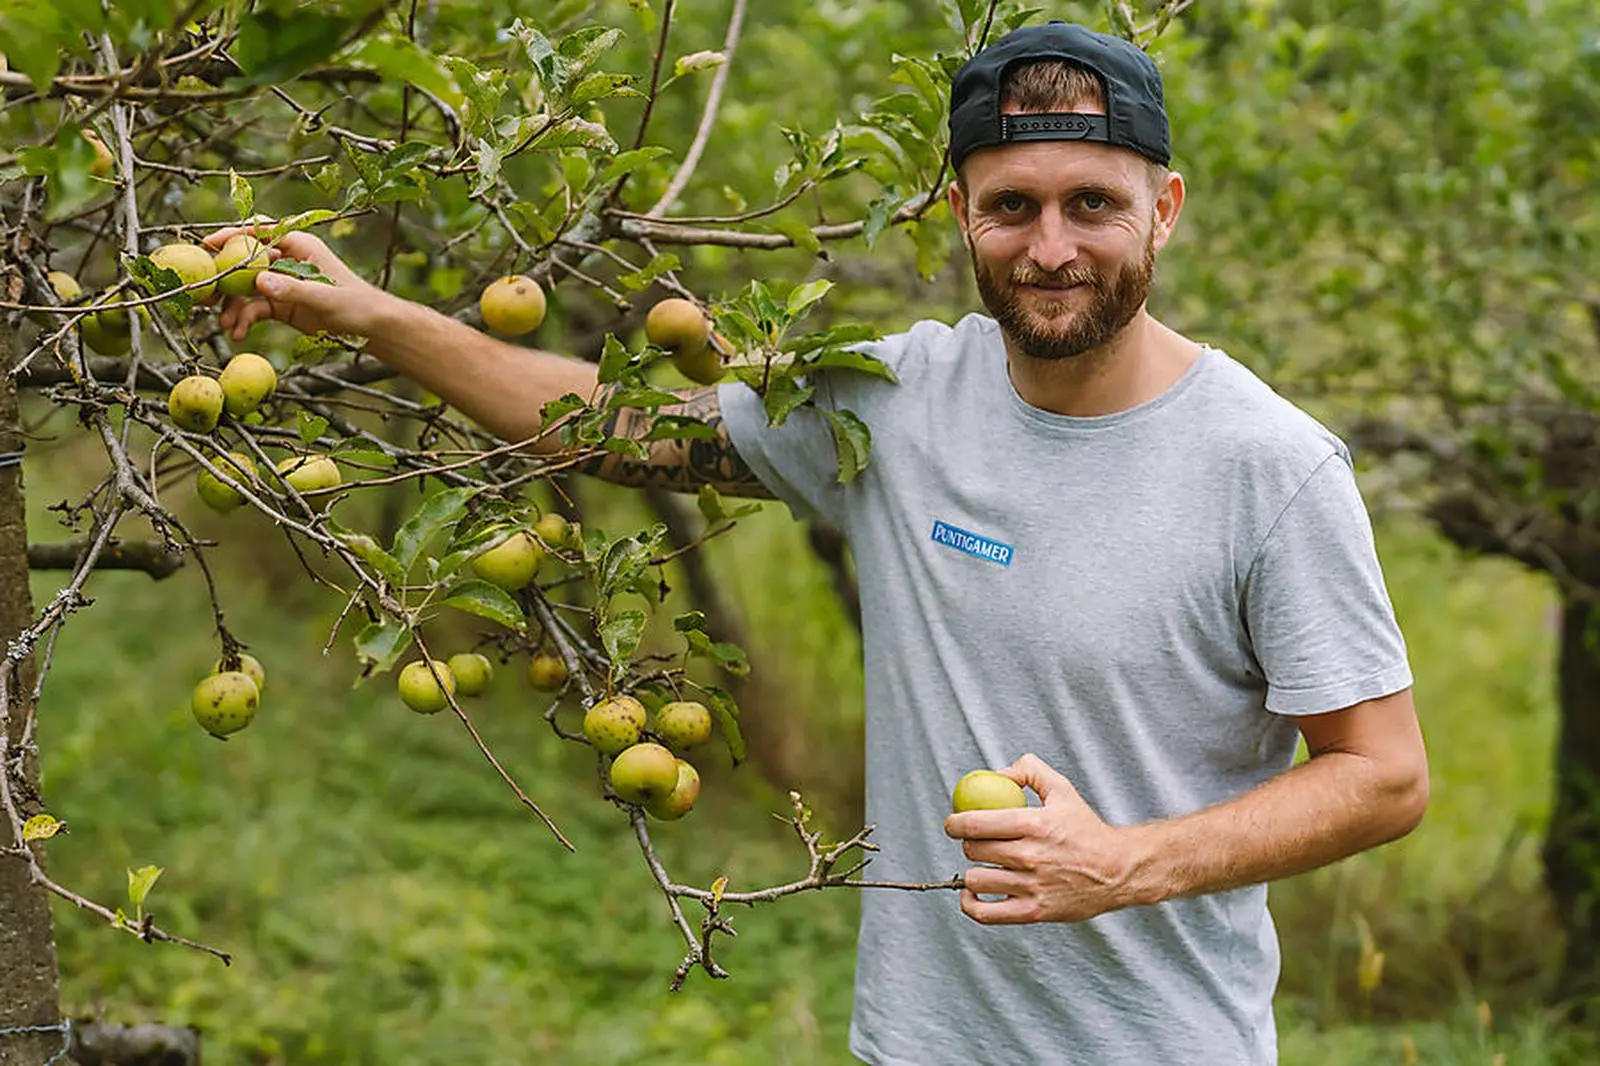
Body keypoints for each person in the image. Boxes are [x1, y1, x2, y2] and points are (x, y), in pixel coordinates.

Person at [208, 20, 1428, 1065]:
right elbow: (613, 429)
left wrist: (1127, 864)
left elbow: (1383, 773)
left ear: (1162, 210)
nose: (1049, 246)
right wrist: (368, 315)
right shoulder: (897, 403)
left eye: (1091, 204)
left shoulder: (1267, 466)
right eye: (1011, 206)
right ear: (959, 212)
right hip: (913, 1040)